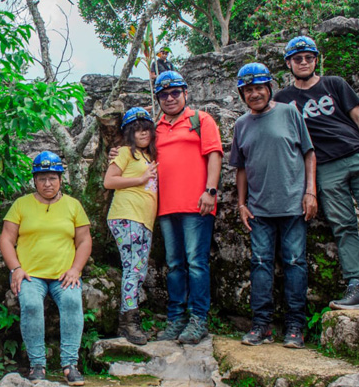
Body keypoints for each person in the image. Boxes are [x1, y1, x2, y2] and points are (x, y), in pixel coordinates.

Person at [231, 63, 317, 348]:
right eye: (248, 90)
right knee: (259, 265)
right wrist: (241, 204)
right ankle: (261, 326)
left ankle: (295, 327)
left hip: (293, 205)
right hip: (259, 210)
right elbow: (240, 168)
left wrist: (311, 192)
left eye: (259, 88)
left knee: (295, 263)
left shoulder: (289, 112)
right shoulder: (241, 125)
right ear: (242, 94)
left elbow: (309, 153)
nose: (254, 94)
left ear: (269, 88)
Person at [274, 36, 359, 310]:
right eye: (297, 59)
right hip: (324, 167)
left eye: (308, 57)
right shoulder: (283, 100)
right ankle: (356, 283)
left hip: (355, 153)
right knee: (344, 225)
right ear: (288, 63)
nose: (303, 62)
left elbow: (357, 115)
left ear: (315, 59)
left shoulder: (334, 84)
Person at [0, 151, 92, 385]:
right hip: (31, 275)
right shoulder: (21, 205)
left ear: (61, 179)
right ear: (35, 180)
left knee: (72, 301)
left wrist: (76, 269)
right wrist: (16, 268)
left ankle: (70, 364)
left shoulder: (73, 205)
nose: (47, 183)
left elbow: (84, 240)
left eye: (52, 178)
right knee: (30, 304)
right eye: (42, 178)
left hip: (64, 275)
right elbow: (7, 239)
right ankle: (37, 365)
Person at [152, 71, 223, 344]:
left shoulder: (200, 120)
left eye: (174, 93)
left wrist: (210, 191)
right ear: (158, 98)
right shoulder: (155, 127)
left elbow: (214, 155)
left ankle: (198, 319)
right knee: (174, 265)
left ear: (185, 93)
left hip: (198, 205)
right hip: (166, 207)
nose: (169, 98)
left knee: (196, 263)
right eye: (164, 94)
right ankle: (176, 318)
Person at [104, 108, 158, 345]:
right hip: (127, 216)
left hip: (144, 220)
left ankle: (129, 317)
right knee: (132, 268)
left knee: (139, 269)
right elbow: (109, 181)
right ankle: (128, 322)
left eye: (146, 128)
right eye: (137, 129)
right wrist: (140, 179)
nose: (143, 133)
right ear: (129, 133)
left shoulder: (149, 156)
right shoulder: (126, 152)